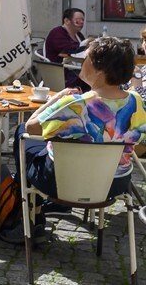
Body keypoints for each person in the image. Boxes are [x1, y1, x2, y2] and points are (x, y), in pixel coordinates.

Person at [11, 36, 146, 238]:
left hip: (62, 181)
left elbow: (32, 127)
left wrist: (56, 99)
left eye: (86, 58)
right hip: (114, 183)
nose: (82, 62)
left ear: (100, 70)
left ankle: (31, 217)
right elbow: (140, 144)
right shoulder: (135, 101)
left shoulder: (75, 104)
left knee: (21, 132)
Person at [43, 7, 89, 89]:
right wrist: (87, 46)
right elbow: (68, 51)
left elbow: (83, 50)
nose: (81, 22)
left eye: (83, 20)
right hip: (61, 73)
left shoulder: (79, 35)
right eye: (78, 20)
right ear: (67, 21)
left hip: (75, 69)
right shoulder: (57, 33)